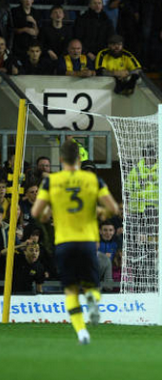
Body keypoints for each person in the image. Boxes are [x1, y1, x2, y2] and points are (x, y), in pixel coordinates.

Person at [31, 140, 119, 345]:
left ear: (61, 160)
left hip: (64, 242)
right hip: (87, 241)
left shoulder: (51, 182)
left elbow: (37, 213)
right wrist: (99, 212)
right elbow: (113, 209)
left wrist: (47, 215)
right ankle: (93, 300)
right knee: (91, 285)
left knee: (70, 290)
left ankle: (82, 333)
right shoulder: (93, 180)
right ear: (79, 160)